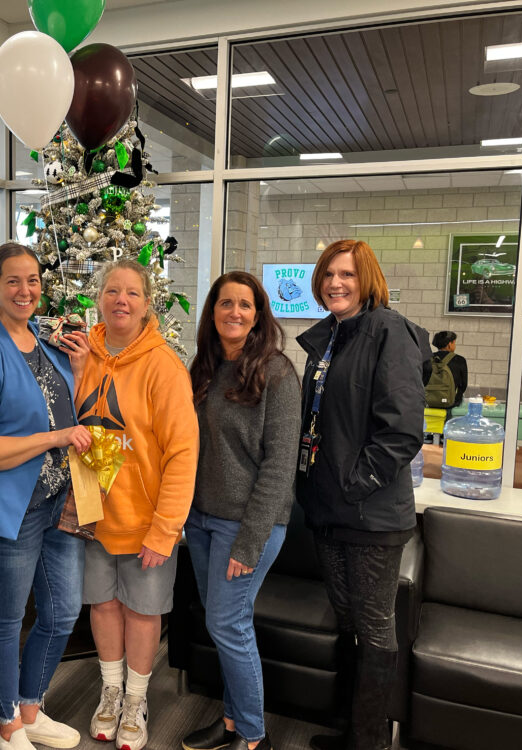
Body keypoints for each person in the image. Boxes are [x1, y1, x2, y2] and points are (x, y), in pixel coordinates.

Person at [0, 242, 92, 750]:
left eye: (33, 280)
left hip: (59, 503)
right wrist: (54, 440)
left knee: (61, 612)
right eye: (13, 280)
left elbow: (67, 408)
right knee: (5, 622)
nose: (25, 290)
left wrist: (81, 367)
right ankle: (6, 723)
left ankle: (31, 709)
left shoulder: (48, 342)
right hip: (9, 513)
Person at [296, 240, 426, 750]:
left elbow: (401, 430)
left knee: (374, 630)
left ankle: (369, 741)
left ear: (367, 278)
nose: (335, 283)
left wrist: (355, 484)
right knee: (349, 621)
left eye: (346, 274)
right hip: (329, 509)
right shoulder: (331, 337)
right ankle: (351, 730)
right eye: (328, 273)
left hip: (370, 515)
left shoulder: (388, 331)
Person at [76, 259, 198, 750]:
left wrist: (165, 528)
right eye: (111, 291)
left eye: (131, 292)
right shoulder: (86, 354)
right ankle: (110, 691)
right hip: (92, 517)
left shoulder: (163, 365)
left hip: (146, 521)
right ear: (99, 298)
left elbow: (183, 453)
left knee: (143, 612)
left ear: (148, 303)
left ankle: (136, 699)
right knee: (103, 605)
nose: (120, 300)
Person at [180, 271, 300, 750]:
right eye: (225, 303)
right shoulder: (203, 367)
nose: (234, 312)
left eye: (244, 305)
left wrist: (250, 542)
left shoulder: (278, 373)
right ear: (213, 312)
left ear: (258, 314)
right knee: (227, 622)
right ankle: (231, 721)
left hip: (249, 524)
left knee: (226, 624)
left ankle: (253, 737)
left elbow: (279, 468)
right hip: (203, 520)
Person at [422, 330, 468, 409]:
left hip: (429, 403)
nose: (455, 345)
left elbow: (422, 381)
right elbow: (463, 385)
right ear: (449, 344)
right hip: (451, 403)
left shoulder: (427, 359)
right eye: (454, 343)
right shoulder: (460, 360)